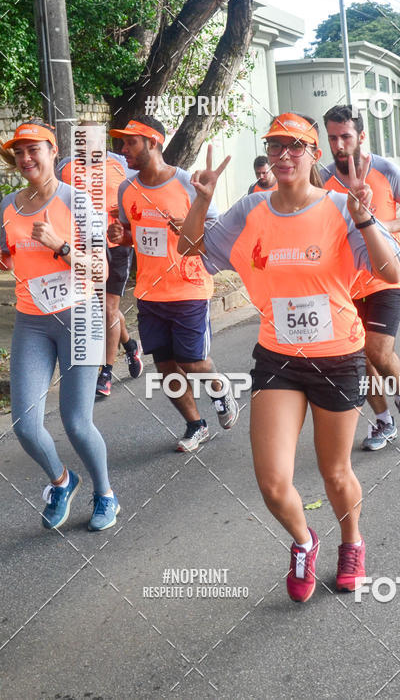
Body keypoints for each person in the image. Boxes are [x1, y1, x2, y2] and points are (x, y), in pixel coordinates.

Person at [178, 112, 400, 602]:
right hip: (278, 356)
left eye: (295, 146)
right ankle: (304, 541)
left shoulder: (343, 205)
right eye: (275, 146)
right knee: (274, 482)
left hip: (338, 356)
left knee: (335, 473)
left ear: (314, 154)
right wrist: (200, 200)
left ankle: (352, 543)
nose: (284, 155)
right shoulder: (250, 209)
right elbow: (191, 247)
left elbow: (388, 271)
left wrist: (365, 218)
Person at [0, 121, 119, 531]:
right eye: (19, 152)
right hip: (32, 322)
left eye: (34, 150)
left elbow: (100, 270)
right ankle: (62, 481)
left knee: (76, 421)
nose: (26, 158)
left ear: (53, 151)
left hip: (79, 317)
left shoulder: (78, 203)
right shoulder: (6, 207)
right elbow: (6, 254)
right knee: (25, 425)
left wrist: (61, 246)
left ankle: (105, 493)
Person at [106, 116, 239, 451]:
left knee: (192, 362)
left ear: (154, 142)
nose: (124, 150)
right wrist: (119, 236)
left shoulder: (186, 182)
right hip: (150, 293)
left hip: (189, 286)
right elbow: (128, 236)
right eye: (122, 144)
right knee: (165, 366)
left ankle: (220, 389)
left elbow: (216, 232)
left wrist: (189, 226)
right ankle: (196, 425)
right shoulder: (127, 189)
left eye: (130, 143)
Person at [321, 105, 400, 452]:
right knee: (359, 359)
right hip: (344, 283)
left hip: (386, 275)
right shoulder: (322, 179)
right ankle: (383, 421)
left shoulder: (384, 169)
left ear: (361, 136)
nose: (339, 144)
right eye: (333, 137)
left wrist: (385, 228)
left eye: (346, 136)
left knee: (378, 352)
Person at [56, 121, 143, 399]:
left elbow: (138, 198)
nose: (86, 144)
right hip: (84, 247)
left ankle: (105, 371)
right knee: (101, 309)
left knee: (108, 308)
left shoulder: (121, 164)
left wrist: (120, 211)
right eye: (81, 139)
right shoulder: (66, 168)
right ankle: (129, 346)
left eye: (92, 139)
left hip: (115, 243)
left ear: (101, 140)